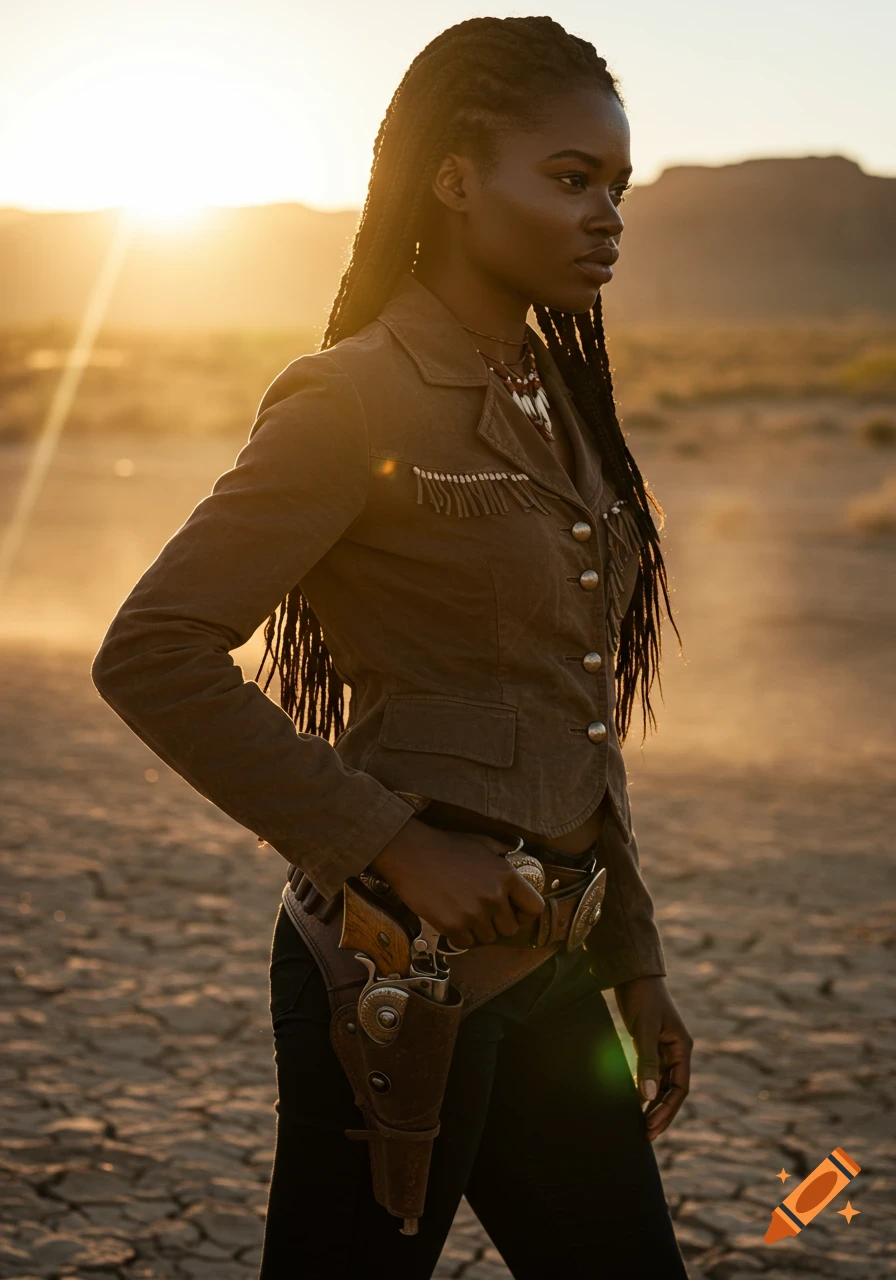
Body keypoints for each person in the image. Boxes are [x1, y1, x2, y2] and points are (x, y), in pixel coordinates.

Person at [91, 15, 693, 1279]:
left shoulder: (557, 398)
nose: (604, 218)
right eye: (570, 179)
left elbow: (575, 701)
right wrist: (393, 842)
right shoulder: (351, 396)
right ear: (455, 179)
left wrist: (629, 952)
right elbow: (152, 650)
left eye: (616, 189)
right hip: (393, 979)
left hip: (551, 969)